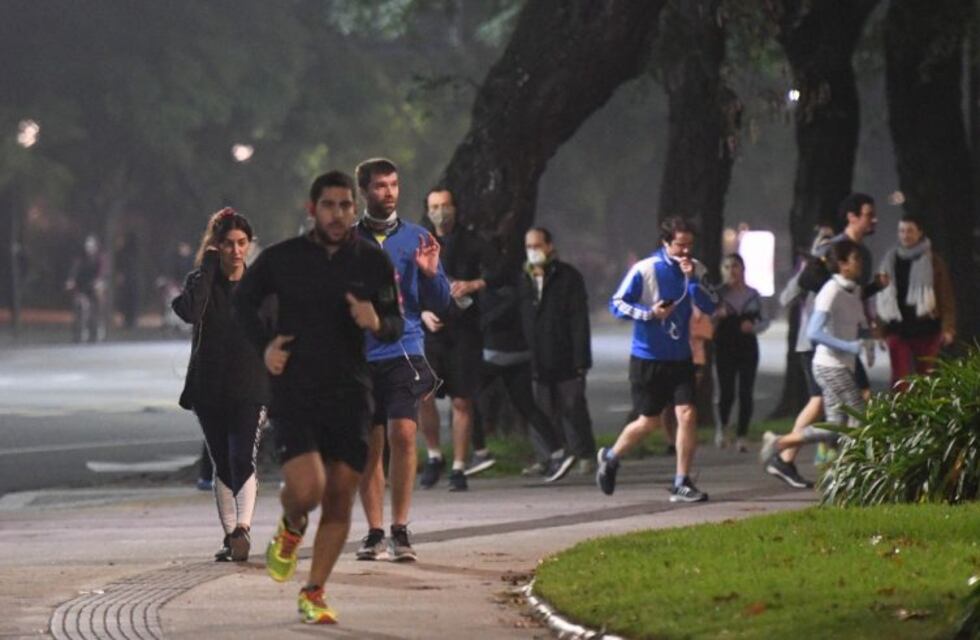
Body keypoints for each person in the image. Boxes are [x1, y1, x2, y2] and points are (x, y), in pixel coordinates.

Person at [233, 171, 403, 624]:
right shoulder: (282, 259)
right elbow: (242, 304)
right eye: (329, 205)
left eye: (346, 205)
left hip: (351, 390)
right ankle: (290, 527)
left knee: (340, 496)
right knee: (308, 489)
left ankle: (314, 591)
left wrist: (375, 320)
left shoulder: (371, 261)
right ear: (312, 209)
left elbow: (394, 320)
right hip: (295, 389)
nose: (339, 214)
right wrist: (265, 346)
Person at [353, 158, 450, 562]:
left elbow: (442, 302)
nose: (388, 192)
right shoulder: (344, 240)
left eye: (393, 184)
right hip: (358, 355)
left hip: (404, 348)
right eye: (379, 186)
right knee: (370, 447)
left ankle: (400, 529)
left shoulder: (417, 238)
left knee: (404, 436)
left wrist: (429, 274)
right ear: (364, 191)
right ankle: (375, 532)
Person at [172, 208, 269, 562]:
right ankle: (231, 537)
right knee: (222, 463)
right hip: (209, 386)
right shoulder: (201, 282)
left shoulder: (259, 285)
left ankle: (243, 528)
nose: (236, 250)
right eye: (228, 244)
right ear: (216, 246)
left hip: (252, 385)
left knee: (242, 456)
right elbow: (190, 313)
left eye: (242, 243)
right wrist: (209, 268)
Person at [599, 216, 717, 502]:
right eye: (680, 245)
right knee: (648, 422)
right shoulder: (646, 269)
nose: (686, 251)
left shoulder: (697, 269)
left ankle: (682, 481)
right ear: (666, 243)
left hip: (681, 357)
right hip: (648, 358)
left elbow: (711, 304)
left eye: (690, 245)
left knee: (687, 414)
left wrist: (692, 283)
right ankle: (611, 457)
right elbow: (616, 304)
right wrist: (650, 313)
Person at [761, 239, 871, 482]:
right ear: (842, 264)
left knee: (834, 425)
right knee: (859, 416)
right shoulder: (830, 291)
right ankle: (855, 471)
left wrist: (869, 339)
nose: (860, 263)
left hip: (843, 364)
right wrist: (848, 346)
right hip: (829, 365)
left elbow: (859, 324)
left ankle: (781, 443)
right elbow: (814, 332)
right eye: (855, 259)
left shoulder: (854, 289)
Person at [417, 187, 489, 490]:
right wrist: (421, 313)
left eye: (445, 205)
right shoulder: (419, 244)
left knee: (462, 399)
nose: (440, 211)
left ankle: (459, 466)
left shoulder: (474, 242)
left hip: (464, 331)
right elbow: (406, 285)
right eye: (434, 206)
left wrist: (472, 285)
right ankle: (435, 456)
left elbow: (496, 276)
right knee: (424, 395)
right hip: (430, 332)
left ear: (455, 208)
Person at [477, 249, 569, 481]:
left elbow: (487, 318)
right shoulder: (523, 286)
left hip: (495, 354)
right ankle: (558, 451)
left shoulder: (490, 290)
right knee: (527, 405)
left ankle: (479, 451)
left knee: (466, 398)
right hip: (521, 355)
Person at [520, 227, 596, 482]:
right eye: (529, 246)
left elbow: (578, 321)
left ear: (549, 246)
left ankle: (584, 454)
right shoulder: (522, 278)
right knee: (540, 408)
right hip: (534, 358)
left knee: (573, 406)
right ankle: (547, 458)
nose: (533, 251)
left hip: (564, 355)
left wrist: (581, 359)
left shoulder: (567, 277)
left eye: (537, 245)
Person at [876, 215, 956, 389]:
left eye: (910, 231)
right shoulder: (889, 260)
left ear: (920, 232)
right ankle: (900, 415)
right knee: (899, 380)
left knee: (926, 379)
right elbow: (881, 296)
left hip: (927, 328)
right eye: (902, 231)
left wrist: (948, 328)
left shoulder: (933, 261)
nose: (905, 235)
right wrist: (879, 331)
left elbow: (945, 295)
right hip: (897, 328)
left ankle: (924, 415)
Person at [712, 254, 769, 452]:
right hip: (724, 346)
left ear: (743, 269)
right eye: (727, 267)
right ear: (722, 271)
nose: (731, 271)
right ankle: (723, 428)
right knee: (726, 391)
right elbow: (704, 320)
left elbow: (765, 320)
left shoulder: (753, 295)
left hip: (747, 346)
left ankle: (742, 435)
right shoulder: (716, 294)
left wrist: (752, 326)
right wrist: (717, 316)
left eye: (735, 266)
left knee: (746, 392)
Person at [65, 234, 107, 343]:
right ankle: (79, 332)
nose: (89, 248)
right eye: (87, 246)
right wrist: (71, 280)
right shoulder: (80, 258)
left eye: (91, 246)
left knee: (97, 303)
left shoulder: (100, 258)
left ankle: (96, 330)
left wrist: (98, 281)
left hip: (94, 287)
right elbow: (74, 269)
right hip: (82, 287)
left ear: (96, 247)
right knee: (80, 306)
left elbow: (101, 272)